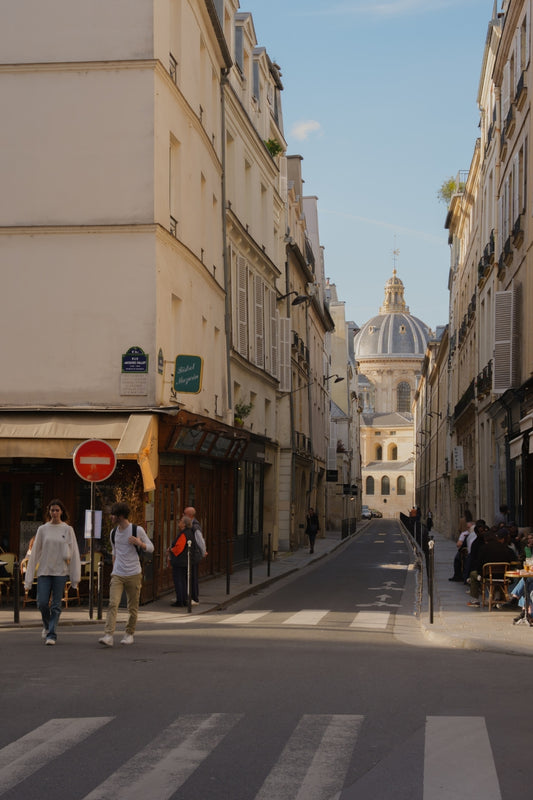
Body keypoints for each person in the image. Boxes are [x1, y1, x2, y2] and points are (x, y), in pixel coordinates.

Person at [24, 499, 81, 646]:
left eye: (57, 510)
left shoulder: (68, 530)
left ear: (61, 511)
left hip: (60, 572)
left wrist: (75, 577)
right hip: (44, 571)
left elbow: (74, 553)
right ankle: (47, 625)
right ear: (49, 512)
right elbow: (35, 552)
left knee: (56, 605)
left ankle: (51, 634)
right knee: (42, 603)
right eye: (52, 510)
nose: (54, 513)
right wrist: (29, 578)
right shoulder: (42, 529)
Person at [98, 501, 154, 647]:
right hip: (118, 573)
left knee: (132, 607)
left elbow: (151, 548)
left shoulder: (137, 530)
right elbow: (115, 551)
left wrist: (139, 543)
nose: (110, 517)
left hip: (134, 573)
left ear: (121, 516)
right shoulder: (113, 532)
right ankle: (108, 635)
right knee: (112, 604)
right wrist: (113, 570)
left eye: (113, 515)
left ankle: (129, 634)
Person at [183, 506, 206, 604]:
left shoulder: (194, 526)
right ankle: (191, 596)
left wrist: (203, 552)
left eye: (184, 513)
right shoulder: (191, 525)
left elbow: (200, 540)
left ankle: (194, 597)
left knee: (193, 576)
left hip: (193, 556)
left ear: (189, 515)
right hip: (191, 555)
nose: (182, 515)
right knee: (190, 576)